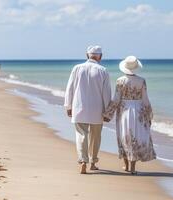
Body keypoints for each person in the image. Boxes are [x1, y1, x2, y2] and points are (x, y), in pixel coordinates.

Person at [103, 56, 156, 174]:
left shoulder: (120, 80)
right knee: (136, 137)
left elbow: (116, 99)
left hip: (124, 110)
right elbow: (145, 99)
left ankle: (127, 166)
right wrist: (149, 115)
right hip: (138, 110)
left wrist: (108, 114)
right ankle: (132, 167)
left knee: (125, 136)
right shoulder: (142, 81)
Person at [64, 45, 111, 174]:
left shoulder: (77, 68)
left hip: (79, 107)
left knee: (81, 135)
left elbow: (70, 88)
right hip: (97, 109)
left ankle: (83, 161)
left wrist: (68, 106)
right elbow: (106, 93)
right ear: (100, 57)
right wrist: (108, 112)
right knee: (95, 137)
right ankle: (93, 162)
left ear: (87, 55)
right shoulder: (103, 70)